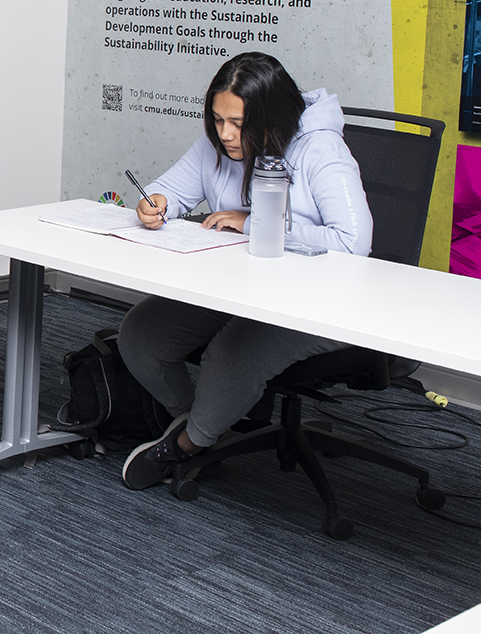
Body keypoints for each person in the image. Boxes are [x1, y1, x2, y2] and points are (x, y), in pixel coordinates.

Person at [118, 52, 373, 491]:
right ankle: (204, 419)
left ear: (271, 117)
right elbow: (171, 190)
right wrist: (155, 203)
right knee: (143, 334)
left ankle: (189, 444)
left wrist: (254, 223)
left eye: (237, 123)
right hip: (238, 286)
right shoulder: (217, 144)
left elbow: (354, 243)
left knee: (231, 353)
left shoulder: (320, 149)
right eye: (217, 120)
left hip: (318, 299)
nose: (226, 135)